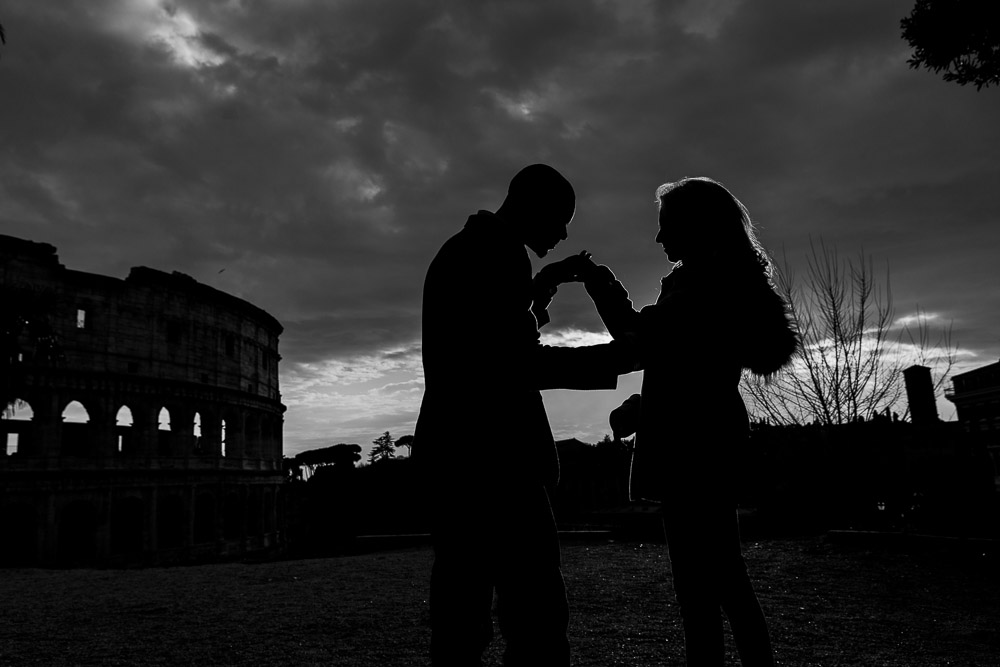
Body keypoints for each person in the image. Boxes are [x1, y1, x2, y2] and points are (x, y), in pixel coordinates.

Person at [568, 177, 797, 666]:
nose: (657, 239)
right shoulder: (711, 286)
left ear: (695, 227)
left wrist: (598, 284)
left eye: (665, 226)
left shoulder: (700, 291)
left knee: (704, 586)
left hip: (694, 451)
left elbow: (638, 342)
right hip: (707, 445)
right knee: (720, 579)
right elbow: (679, 365)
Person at [412, 164, 631, 666]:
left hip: (454, 458)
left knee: (460, 616)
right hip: (497, 463)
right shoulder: (498, 253)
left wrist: (542, 285)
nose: (565, 233)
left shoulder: (467, 248)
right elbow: (514, 362)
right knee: (536, 621)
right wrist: (617, 358)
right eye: (562, 218)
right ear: (535, 206)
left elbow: (483, 338)